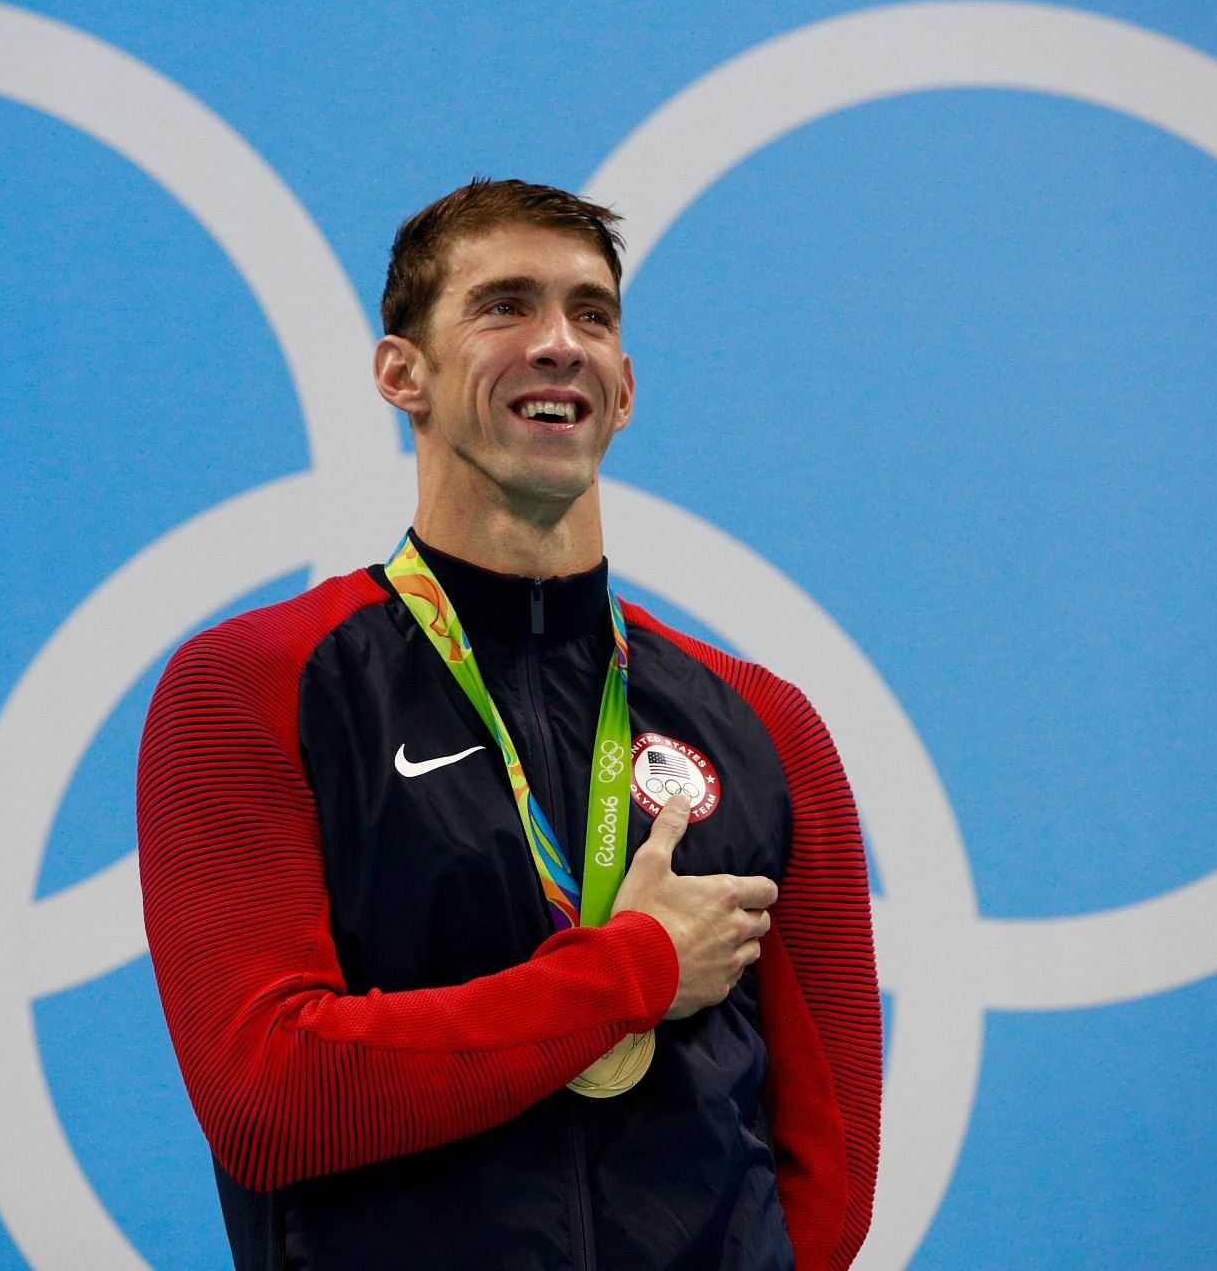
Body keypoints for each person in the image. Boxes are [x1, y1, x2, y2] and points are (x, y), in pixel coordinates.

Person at [137, 179, 881, 1270]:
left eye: (592, 314)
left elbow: (835, 1156)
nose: (559, 344)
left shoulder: (763, 720)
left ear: (625, 389)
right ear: (402, 374)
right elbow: (272, 1095)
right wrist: (633, 970)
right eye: (505, 306)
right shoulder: (255, 684)